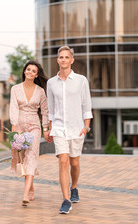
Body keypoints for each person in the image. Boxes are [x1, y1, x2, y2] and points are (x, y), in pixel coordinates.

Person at [47, 46, 93, 214]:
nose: (64, 59)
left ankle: (74, 187)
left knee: (74, 162)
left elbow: (86, 104)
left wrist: (86, 126)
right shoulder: (51, 83)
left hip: (76, 128)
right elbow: (50, 109)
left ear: (72, 60)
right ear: (57, 60)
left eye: (67, 57)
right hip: (59, 127)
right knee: (63, 161)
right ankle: (66, 200)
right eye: (61, 57)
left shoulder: (81, 80)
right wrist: (48, 128)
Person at [9, 60, 50, 206]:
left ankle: (25, 194)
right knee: (22, 158)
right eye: (28, 69)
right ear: (24, 71)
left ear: (37, 74)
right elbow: (13, 107)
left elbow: (45, 111)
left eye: (33, 71)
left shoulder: (40, 91)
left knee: (31, 156)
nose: (30, 72)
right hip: (19, 126)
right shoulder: (15, 89)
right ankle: (31, 188)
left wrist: (45, 129)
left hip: (34, 127)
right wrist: (14, 128)